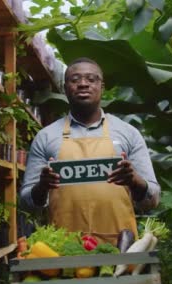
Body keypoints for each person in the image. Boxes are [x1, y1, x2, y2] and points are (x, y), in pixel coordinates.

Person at [20, 57, 160, 244]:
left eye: (91, 79)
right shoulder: (46, 137)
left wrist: (135, 181)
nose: (83, 84)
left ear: (102, 87)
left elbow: (152, 200)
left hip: (120, 248)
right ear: (64, 87)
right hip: (64, 248)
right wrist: (41, 187)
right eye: (75, 79)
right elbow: (26, 203)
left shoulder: (129, 134)